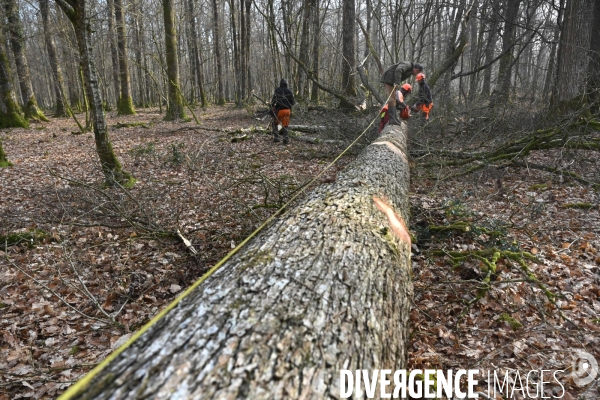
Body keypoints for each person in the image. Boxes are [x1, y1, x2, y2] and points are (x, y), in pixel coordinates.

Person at [270, 79, 296, 145]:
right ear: (286, 84)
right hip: (287, 111)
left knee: (275, 124)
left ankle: (276, 138)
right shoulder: (289, 91)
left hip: (280, 110)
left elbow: (273, 100)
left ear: (280, 84)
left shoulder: (277, 90)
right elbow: (293, 102)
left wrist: (272, 106)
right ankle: (285, 140)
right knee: (285, 126)